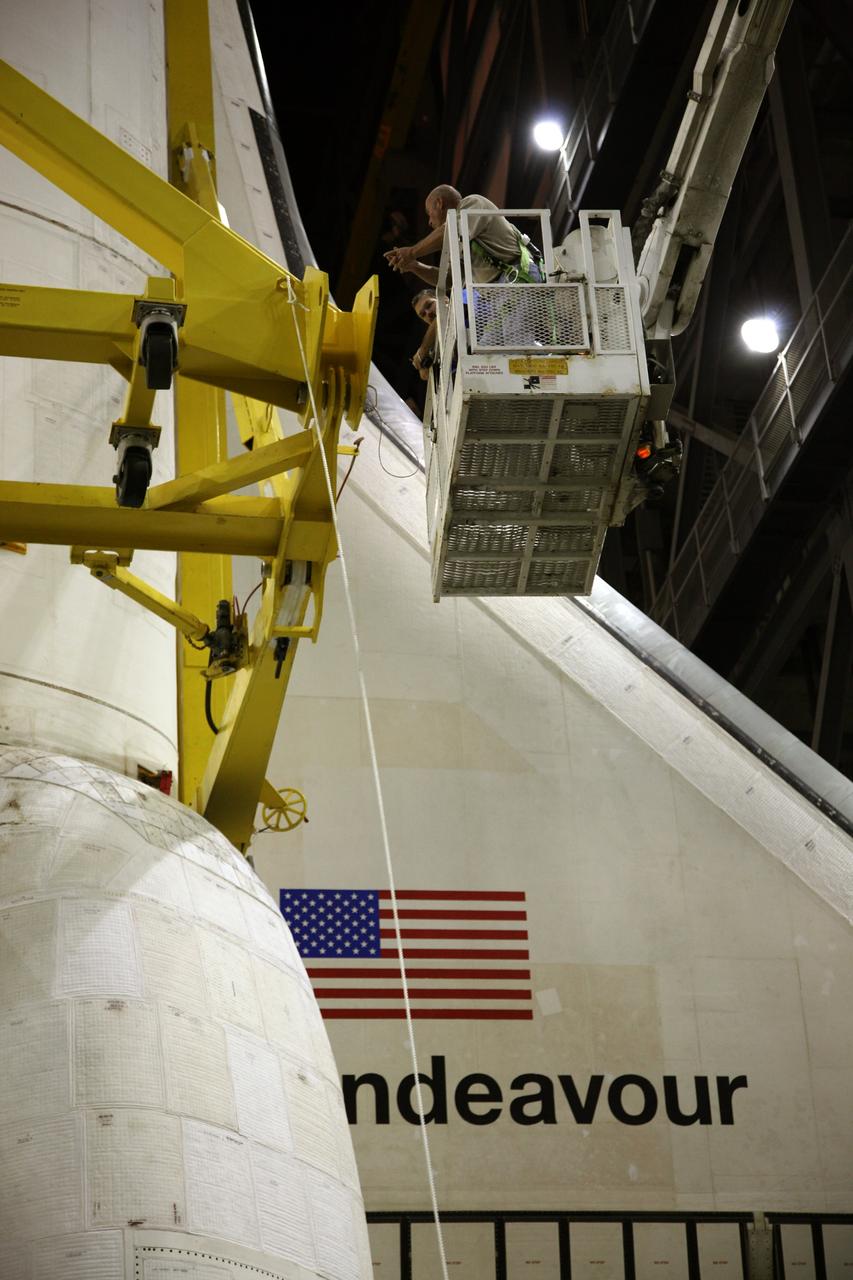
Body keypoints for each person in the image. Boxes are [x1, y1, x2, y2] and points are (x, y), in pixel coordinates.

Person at [384, 185, 544, 285]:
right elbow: (448, 280)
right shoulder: (458, 239)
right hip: (501, 291)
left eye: (429, 213)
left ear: (439, 203)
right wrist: (414, 265)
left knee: (514, 339)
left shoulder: (472, 203)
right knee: (490, 341)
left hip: (516, 275)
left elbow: (451, 229)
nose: (429, 222)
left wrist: (412, 252)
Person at [410, 288, 437, 381]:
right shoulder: (435, 344)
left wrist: (422, 352)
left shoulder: (463, 295)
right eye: (423, 314)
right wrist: (424, 367)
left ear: (443, 297)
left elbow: (444, 313)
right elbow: (425, 376)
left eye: (429, 305)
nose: (428, 313)